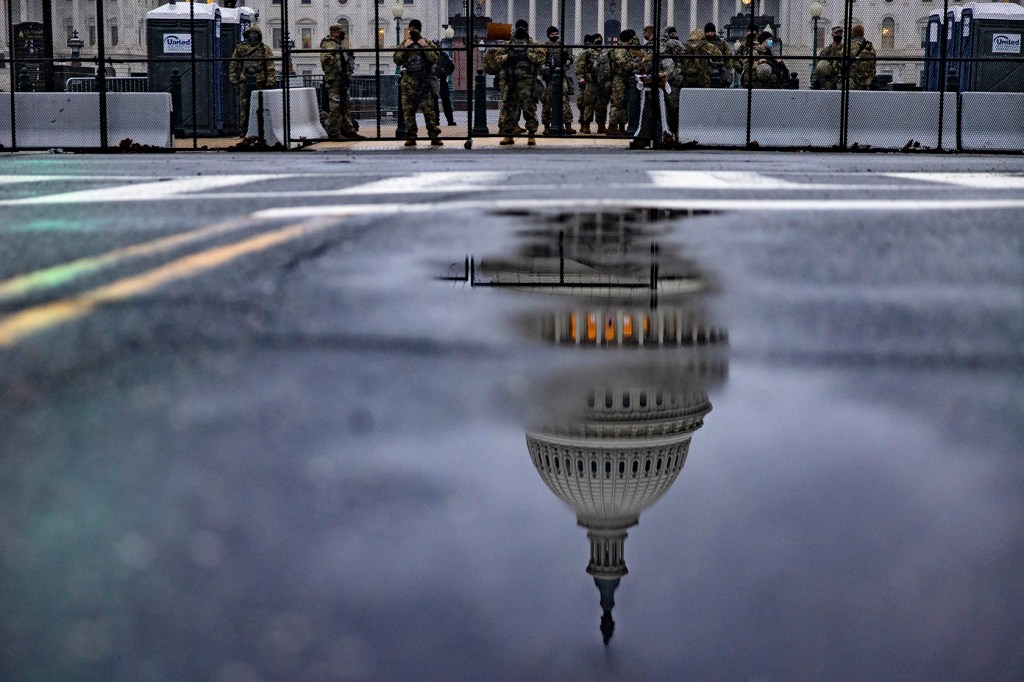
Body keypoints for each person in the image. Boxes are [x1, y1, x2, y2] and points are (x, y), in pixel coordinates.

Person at [489, 20, 545, 145]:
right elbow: (496, 59)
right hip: (511, 79)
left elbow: (541, 58)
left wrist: (527, 55)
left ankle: (531, 134)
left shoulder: (532, 43)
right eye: (519, 27)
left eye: (523, 27)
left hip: (527, 81)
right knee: (510, 108)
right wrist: (508, 57)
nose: (521, 29)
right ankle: (508, 134)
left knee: (529, 108)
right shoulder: (508, 44)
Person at [393, 19, 443, 147]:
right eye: (410, 28)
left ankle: (434, 136)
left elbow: (434, 59)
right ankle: (410, 136)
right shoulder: (405, 43)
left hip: (424, 81)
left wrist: (424, 46)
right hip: (409, 82)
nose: (412, 31)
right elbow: (397, 60)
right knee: (408, 112)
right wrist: (405, 47)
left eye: (414, 28)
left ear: (419, 30)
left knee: (429, 111)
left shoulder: (427, 43)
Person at [228, 25, 275, 135]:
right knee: (245, 105)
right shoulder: (241, 48)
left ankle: (260, 129)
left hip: (260, 82)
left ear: (259, 36)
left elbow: (270, 66)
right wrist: (233, 79)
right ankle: (244, 129)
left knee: (260, 105)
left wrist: (270, 81)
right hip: (245, 82)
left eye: (255, 34)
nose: (252, 36)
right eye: (251, 33)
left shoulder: (264, 49)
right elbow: (233, 64)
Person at [319, 25, 364, 140]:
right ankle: (334, 132)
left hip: (342, 79)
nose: (343, 33)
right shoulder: (328, 44)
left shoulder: (338, 45)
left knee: (344, 106)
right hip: (334, 79)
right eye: (341, 31)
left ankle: (349, 131)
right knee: (336, 106)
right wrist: (339, 55)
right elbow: (326, 60)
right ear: (334, 32)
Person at [541, 26, 576, 134]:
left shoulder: (563, 46)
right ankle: (546, 126)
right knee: (547, 101)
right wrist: (545, 70)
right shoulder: (543, 47)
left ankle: (568, 125)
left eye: (556, 34)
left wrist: (565, 65)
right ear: (548, 35)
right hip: (550, 77)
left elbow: (571, 59)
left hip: (561, 76)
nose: (555, 36)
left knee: (564, 100)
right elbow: (539, 60)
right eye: (552, 34)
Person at [607, 29, 640, 136]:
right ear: (629, 39)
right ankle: (612, 126)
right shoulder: (620, 50)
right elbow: (626, 65)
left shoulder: (625, 50)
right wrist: (638, 64)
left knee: (624, 103)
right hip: (618, 80)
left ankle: (621, 126)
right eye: (631, 39)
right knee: (618, 102)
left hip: (623, 79)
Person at [703, 23, 734, 87]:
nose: (709, 33)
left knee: (727, 78)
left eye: (711, 31)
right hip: (706, 67)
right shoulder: (702, 43)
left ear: (714, 32)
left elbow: (729, 55)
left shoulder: (721, 42)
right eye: (708, 32)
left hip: (720, 67)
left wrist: (728, 68)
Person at [848, 25, 877, 90]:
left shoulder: (850, 47)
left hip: (854, 83)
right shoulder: (870, 47)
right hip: (867, 82)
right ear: (863, 34)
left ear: (853, 34)